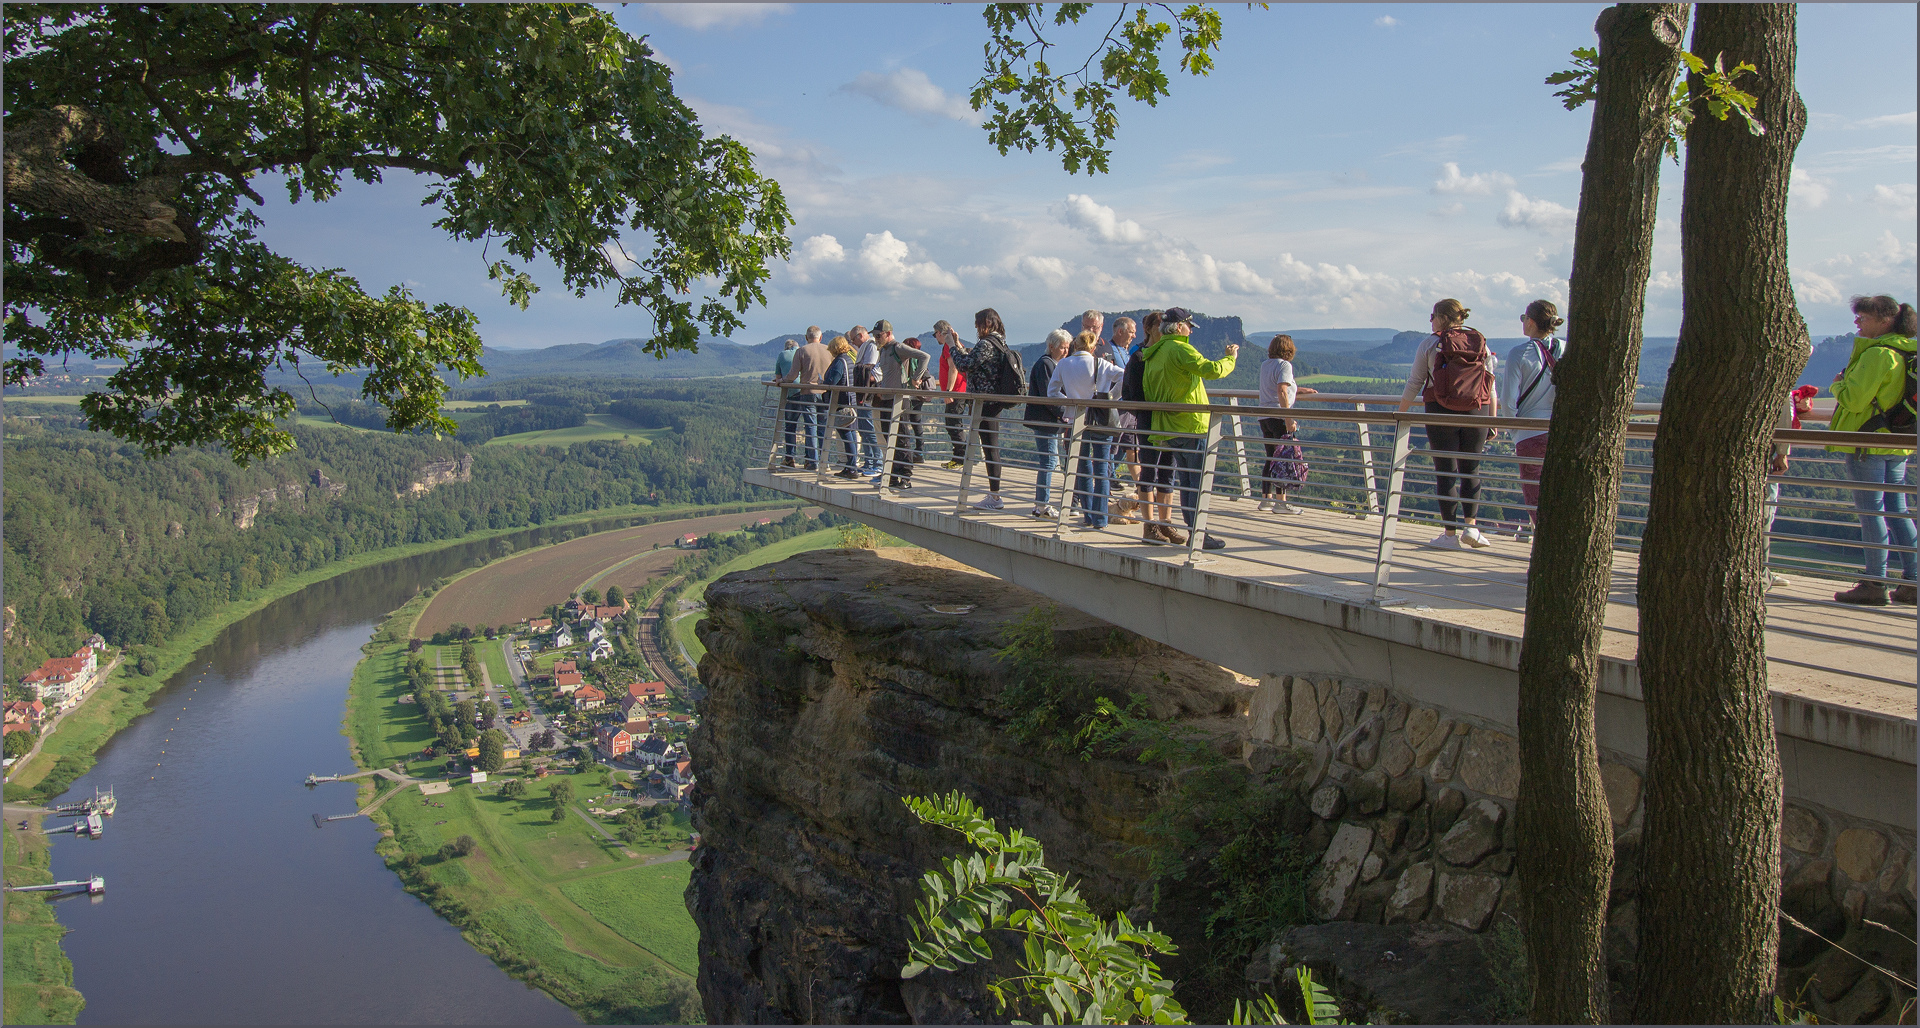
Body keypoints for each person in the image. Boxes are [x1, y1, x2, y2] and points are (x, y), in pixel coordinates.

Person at [1828, 294, 1918, 605]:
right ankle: (1913, 582)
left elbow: (1853, 400)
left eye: (1862, 317)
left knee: (1871, 512)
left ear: (1884, 320)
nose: (1857, 322)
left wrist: (1837, 384)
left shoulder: (1878, 355)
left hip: (1867, 443)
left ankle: (1874, 583)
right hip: (1898, 441)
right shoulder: (1909, 351)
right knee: (1897, 510)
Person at [1397, 298, 1499, 549]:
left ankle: (1450, 535)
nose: (1430, 321)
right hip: (1478, 411)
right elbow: (1491, 385)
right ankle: (1471, 527)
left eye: (1432, 316)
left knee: (1445, 471)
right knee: (1471, 470)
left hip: (1440, 410)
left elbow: (1415, 382)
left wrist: (1399, 413)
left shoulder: (1430, 344)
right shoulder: (1480, 342)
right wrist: (1493, 422)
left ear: (1442, 318)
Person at [1142, 306, 1236, 549]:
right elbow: (1212, 370)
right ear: (1179, 326)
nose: (1191, 331)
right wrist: (1230, 359)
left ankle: (1196, 532)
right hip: (1191, 425)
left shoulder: (1153, 353)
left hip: (1168, 427)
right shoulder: (1180, 349)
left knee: (1186, 481)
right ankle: (1199, 536)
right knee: (1198, 482)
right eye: (1190, 326)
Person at [1500, 300, 1565, 542]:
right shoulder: (1567, 348)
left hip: (1529, 433)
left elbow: (1508, 401)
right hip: (1561, 430)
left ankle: (1544, 553)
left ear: (1530, 322)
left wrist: (1515, 433)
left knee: (1536, 499)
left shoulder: (1519, 353)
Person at [947, 308, 1023, 510]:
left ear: (986, 323)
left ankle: (995, 497)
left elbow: (965, 365)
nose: (975, 327)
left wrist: (952, 348)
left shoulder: (986, 343)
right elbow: (975, 363)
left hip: (985, 403)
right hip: (993, 401)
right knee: (991, 447)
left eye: (977, 323)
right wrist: (959, 344)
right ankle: (994, 495)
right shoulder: (999, 342)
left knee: (990, 448)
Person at [1051, 331, 1126, 528]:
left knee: (1082, 467)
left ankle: (1088, 514)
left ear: (1075, 345)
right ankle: (1100, 518)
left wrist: (1071, 404)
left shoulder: (1063, 364)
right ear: (1093, 348)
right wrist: (1111, 397)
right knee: (1102, 467)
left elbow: (1052, 391)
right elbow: (1123, 377)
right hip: (1101, 418)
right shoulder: (1100, 364)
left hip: (1076, 419)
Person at [1764, 384, 1820, 590]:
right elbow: (1784, 405)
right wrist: (1782, 452)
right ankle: (1761, 573)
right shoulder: (1777, 381)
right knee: (1764, 514)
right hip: (1764, 453)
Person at [1255, 334, 1318, 514]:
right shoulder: (1285, 365)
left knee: (1270, 458)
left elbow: (1279, 387)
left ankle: (1266, 500)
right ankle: (1281, 503)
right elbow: (1281, 390)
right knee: (1283, 459)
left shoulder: (1265, 365)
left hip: (1264, 417)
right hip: (1279, 417)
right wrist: (1288, 418)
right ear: (1289, 349)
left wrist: (1298, 389)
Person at [875, 324, 930, 489]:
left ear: (888, 333)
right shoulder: (883, 350)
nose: (877, 338)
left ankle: (905, 476)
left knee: (901, 437)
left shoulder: (898, 348)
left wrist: (916, 378)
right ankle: (893, 475)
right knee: (888, 438)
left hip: (899, 400)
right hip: (886, 398)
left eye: (879, 335)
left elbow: (924, 357)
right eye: (875, 336)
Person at [1026, 330, 1070, 518]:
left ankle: (1041, 503)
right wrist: (1064, 413)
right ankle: (1042, 504)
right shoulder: (1046, 364)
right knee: (1049, 462)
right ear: (1051, 346)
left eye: (1067, 347)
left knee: (1049, 461)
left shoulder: (1051, 364)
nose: (1065, 350)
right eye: (1062, 347)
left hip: (1048, 421)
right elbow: (1048, 395)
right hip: (1046, 422)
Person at [781, 327, 830, 469]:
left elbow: (793, 375)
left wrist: (782, 381)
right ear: (820, 337)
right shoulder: (829, 350)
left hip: (808, 392)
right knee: (822, 428)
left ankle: (813, 462)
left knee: (810, 427)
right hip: (826, 393)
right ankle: (824, 460)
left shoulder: (801, 351)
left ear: (806, 337)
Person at [821, 336, 861, 478]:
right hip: (851, 401)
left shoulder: (839, 361)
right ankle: (851, 466)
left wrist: (823, 383)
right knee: (850, 434)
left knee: (846, 435)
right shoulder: (848, 359)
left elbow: (833, 380)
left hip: (843, 403)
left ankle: (851, 468)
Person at [935, 320, 971, 469]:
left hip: (956, 392)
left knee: (953, 425)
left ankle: (961, 458)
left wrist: (948, 391)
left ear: (939, 333)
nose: (936, 337)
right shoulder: (955, 345)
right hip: (959, 391)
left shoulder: (949, 347)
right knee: (953, 425)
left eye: (935, 334)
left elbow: (953, 368)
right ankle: (960, 457)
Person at [849, 324, 882, 474]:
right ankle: (869, 461)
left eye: (853, 340)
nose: (852, 343)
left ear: (860, 336)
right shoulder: (866, 346)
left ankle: (877, 462)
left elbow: (870, 368)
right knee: (863, 428)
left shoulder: (871, 347)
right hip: (862, 393)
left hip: (868, 394)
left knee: (869, 428)